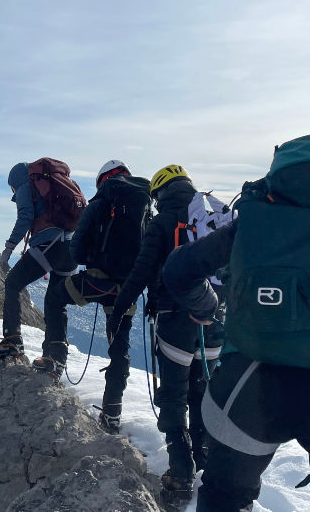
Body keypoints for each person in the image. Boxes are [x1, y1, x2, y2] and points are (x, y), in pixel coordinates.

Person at [162, 130, 310, 512]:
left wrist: (207, 310)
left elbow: (179, 270)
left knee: (223, 499)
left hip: (249, 383)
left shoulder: (260, 217)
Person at [104, 164, 225, 503]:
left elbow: (142, 271)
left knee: (174, 394)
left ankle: (180, 474)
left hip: (176, 318)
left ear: (159, 193)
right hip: (215, 319)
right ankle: (204, 462)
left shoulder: (161, 222)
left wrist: (119, 313)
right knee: (203, 390)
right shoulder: (211, 213)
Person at [34, 160, 151, 423]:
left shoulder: (101, 202)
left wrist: (93, 261)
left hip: (96, 281)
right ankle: (112, 412)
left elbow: (77, 247)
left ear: (102, 180)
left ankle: (55, 359)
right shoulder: (144, 206)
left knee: (54, 298)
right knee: (119, 348)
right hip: (127, 289)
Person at [0, 161, 79, 360]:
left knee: (13, 283)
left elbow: (25, 217)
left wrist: (9, 247)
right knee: (55, 301)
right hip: (71, 249)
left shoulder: (25, 185)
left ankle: (12, 340)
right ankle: (55, 358)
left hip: (50, 246)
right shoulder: (55, 184)